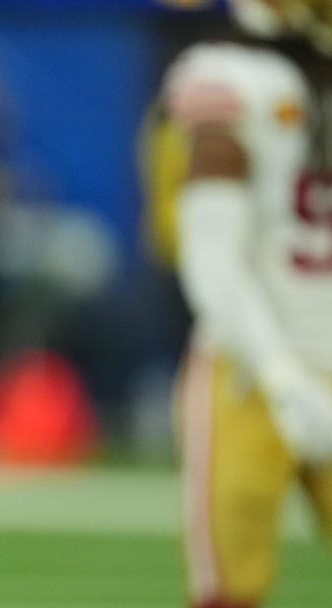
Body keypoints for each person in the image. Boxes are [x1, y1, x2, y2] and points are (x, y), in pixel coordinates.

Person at [163, 1, 332, 606]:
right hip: (248, 373)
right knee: (230, 595)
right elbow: (211, 258)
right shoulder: (232, 78)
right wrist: (284, 376)